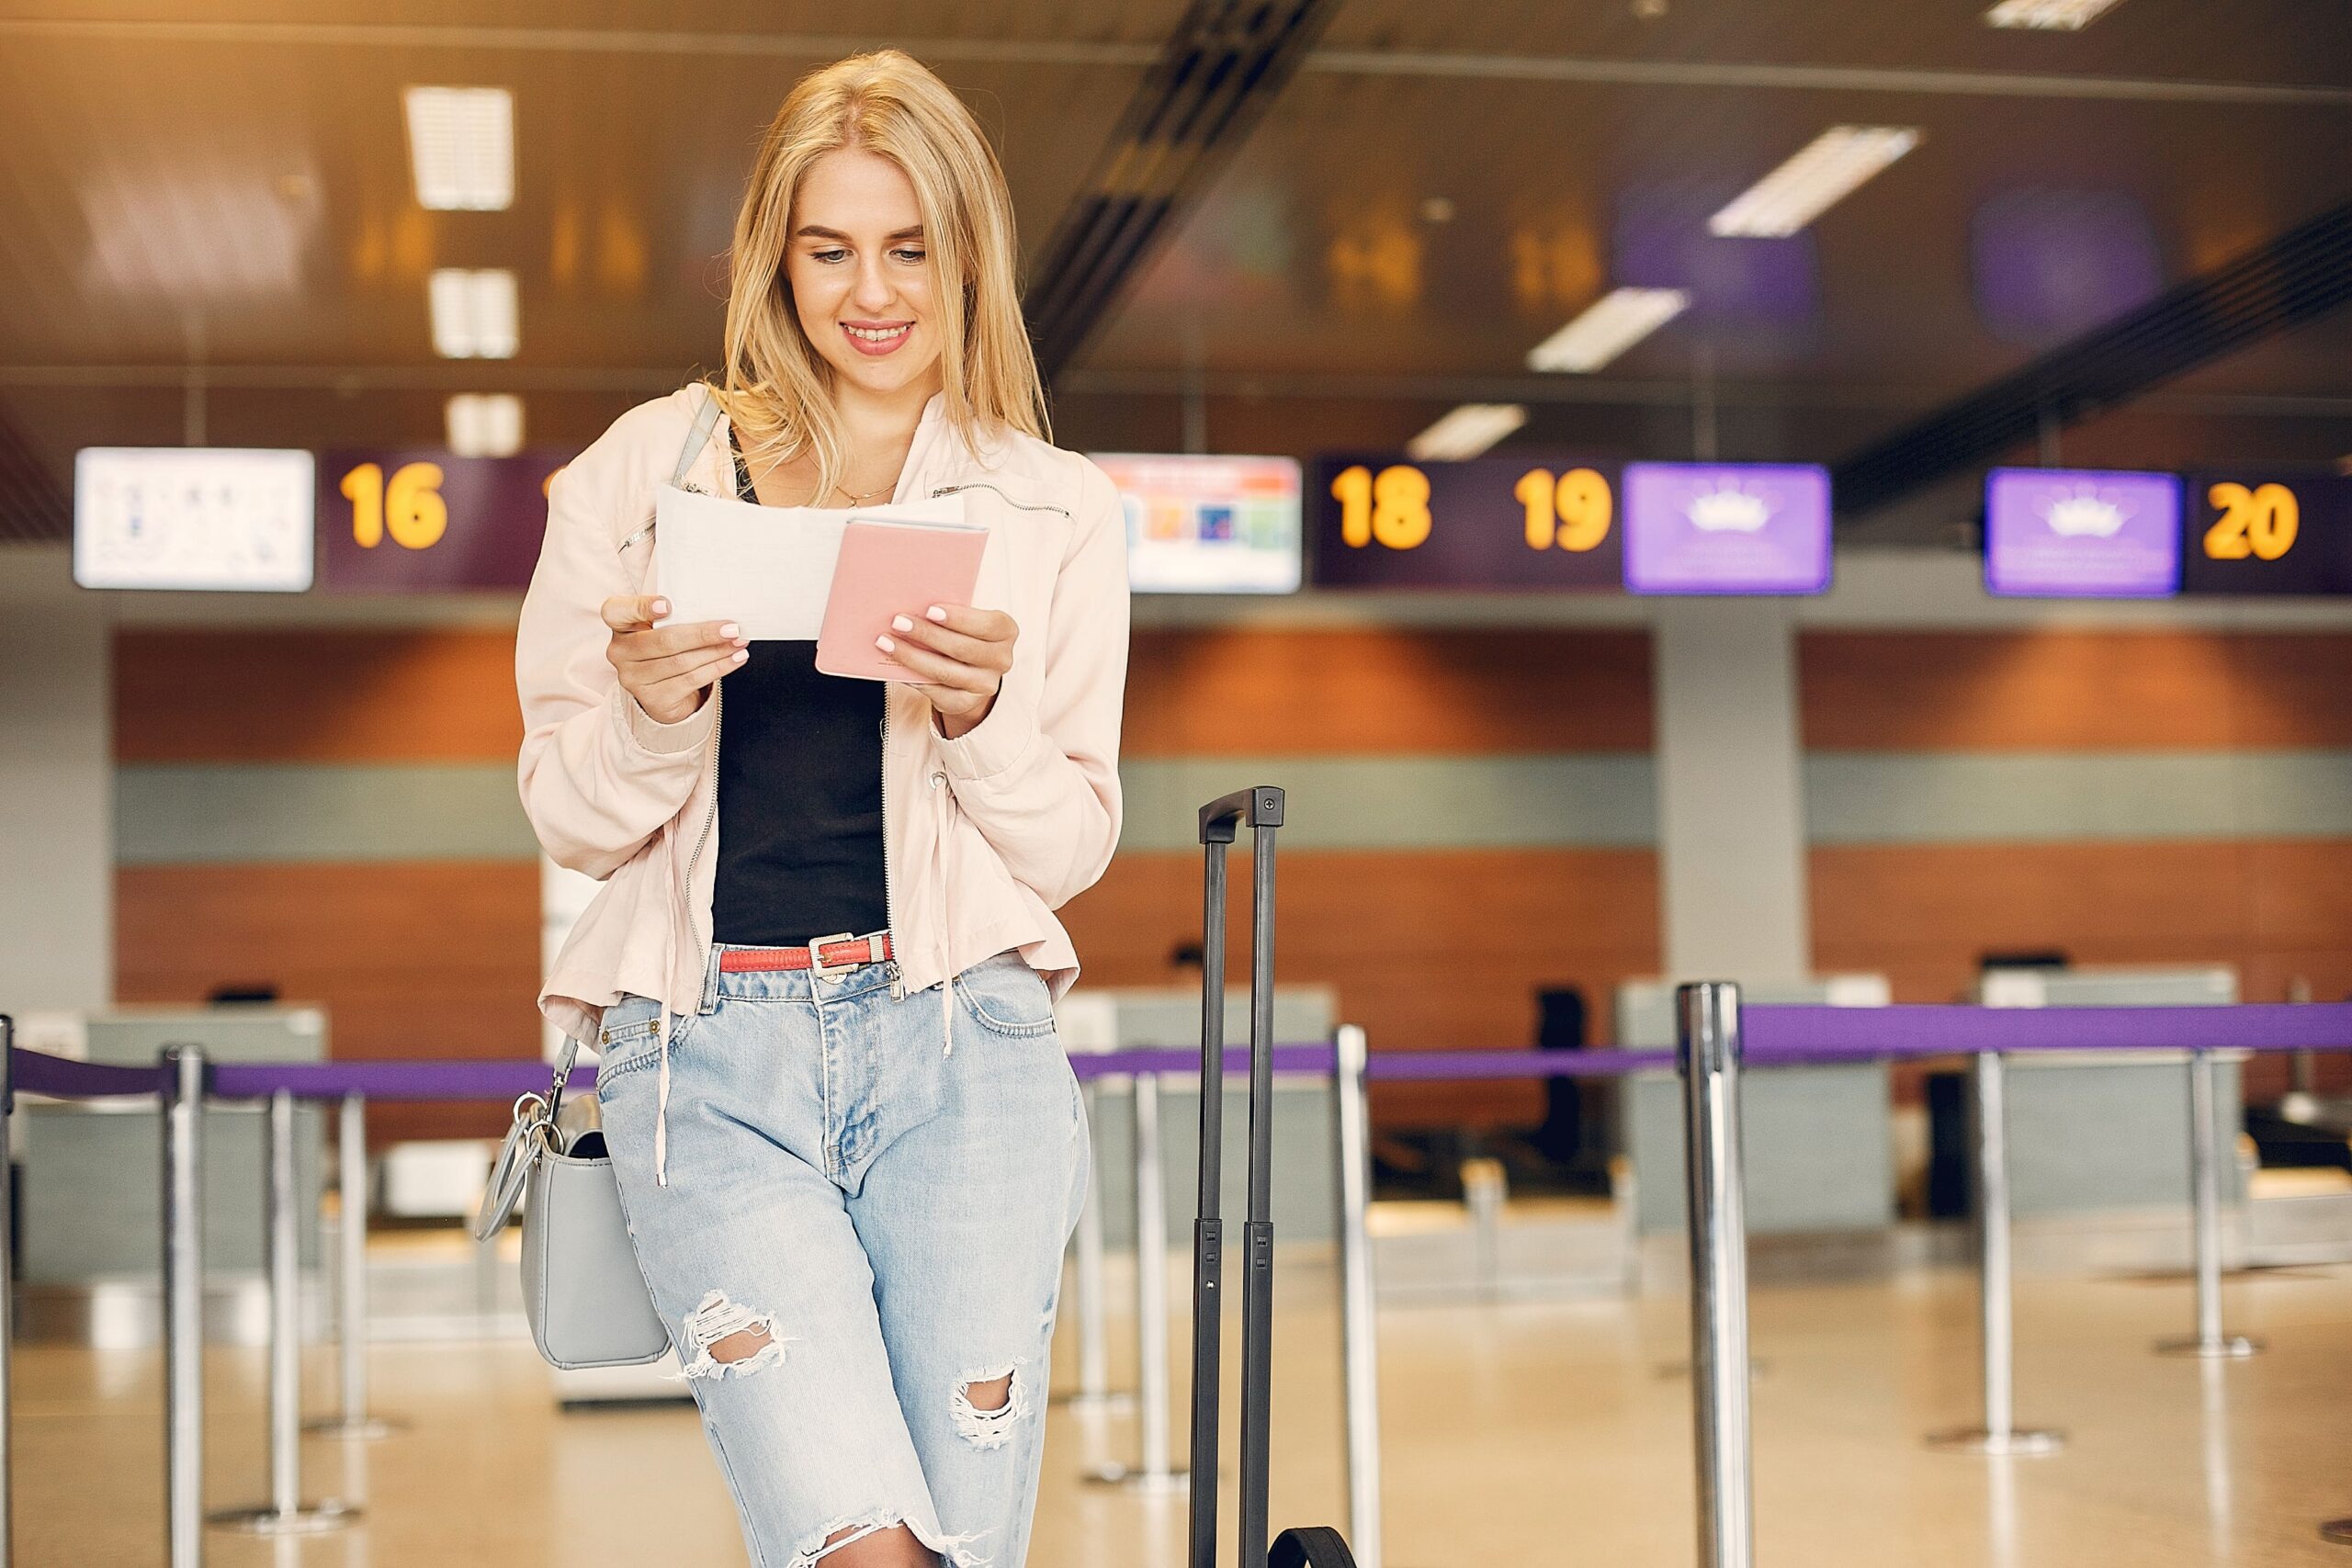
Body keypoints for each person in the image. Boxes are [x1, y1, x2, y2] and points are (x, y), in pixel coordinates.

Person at [514, 50, 1129, 1568]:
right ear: (771, 259)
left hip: (963, 1060)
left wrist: (983, 716)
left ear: (966, 253)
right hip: (705, 1070)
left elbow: (1072, 845)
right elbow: (566, 810)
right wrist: (655, 709)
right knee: (863, 1543)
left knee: (962, 1545)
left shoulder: (1055, 510)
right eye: (831, 247)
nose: (874, 292)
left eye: (911, 247)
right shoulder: (644, 473)